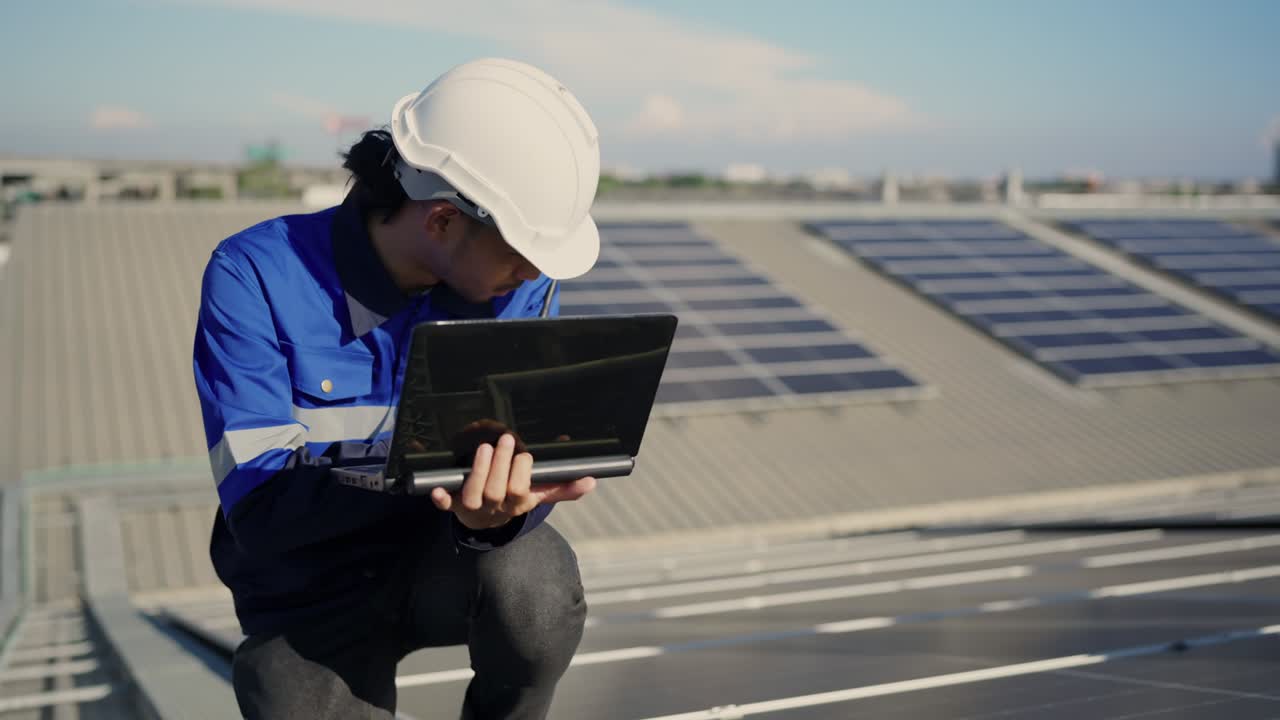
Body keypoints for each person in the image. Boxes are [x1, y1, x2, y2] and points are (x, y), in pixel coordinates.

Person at [192, 58, 602, 719]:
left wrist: (500, 516)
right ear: (441, 220)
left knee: (537, 586)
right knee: (290, 695)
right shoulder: (253, 276)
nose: (532, 271)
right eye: (520, 249)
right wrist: (426, 479)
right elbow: (262, 512)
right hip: (310, 589)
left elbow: (516, 476)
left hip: (450, 562)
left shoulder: (521, 285)